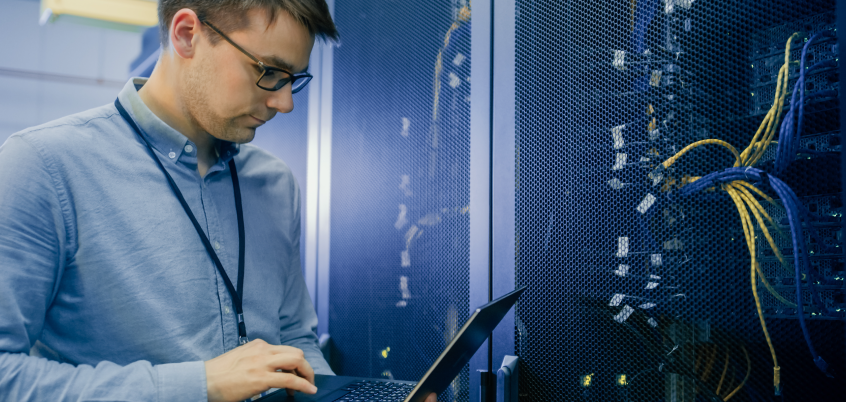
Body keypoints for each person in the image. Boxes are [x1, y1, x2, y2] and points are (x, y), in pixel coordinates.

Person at [0, 1, 437, 401]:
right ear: (187, 34)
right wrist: (201, 384)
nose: (283, 102)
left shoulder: (275, 184)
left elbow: (295, 341)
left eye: (293, 81)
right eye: (269, 71)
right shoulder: (42, 166)